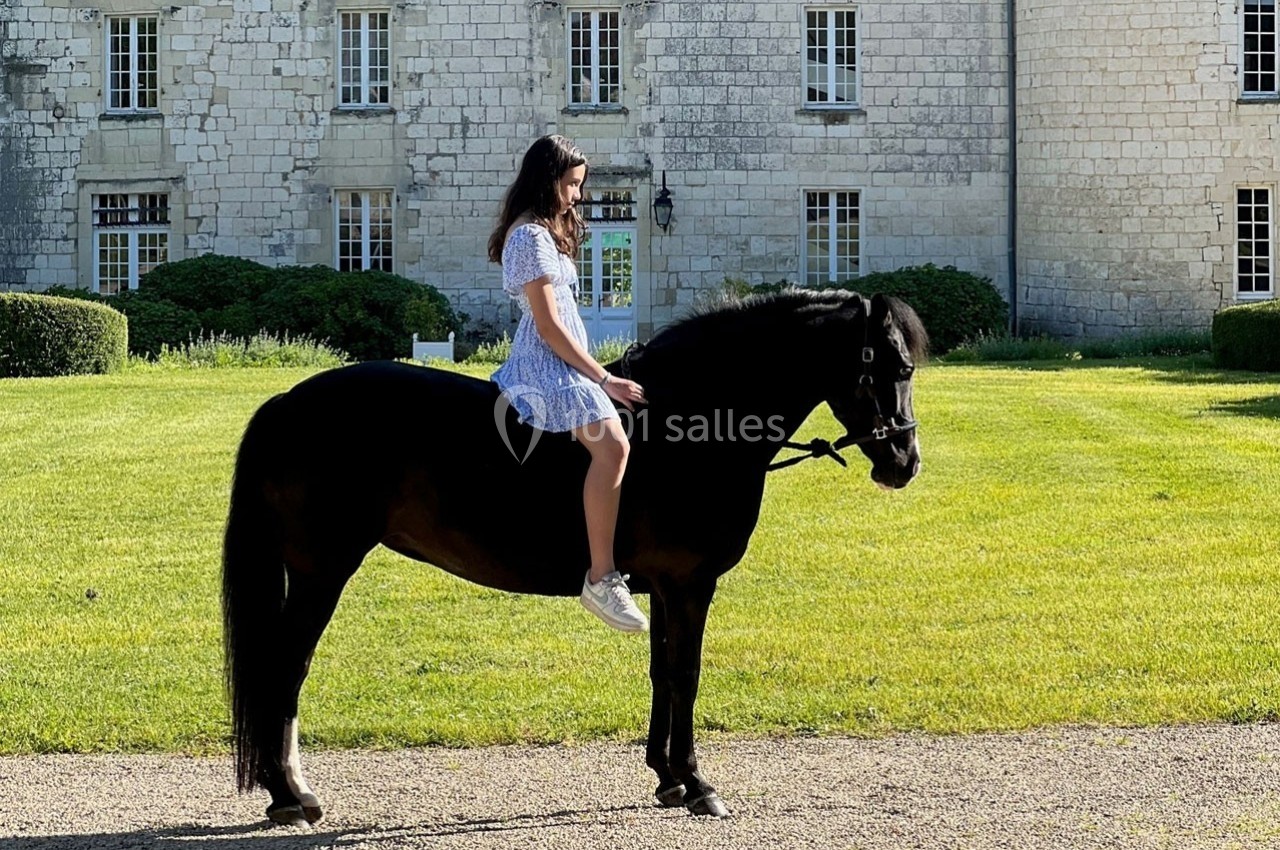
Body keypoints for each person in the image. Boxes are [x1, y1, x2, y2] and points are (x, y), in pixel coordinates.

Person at [488, 134, 650, 633]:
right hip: (546, 365)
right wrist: (603, 377)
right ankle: (601, 577)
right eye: (572, 184)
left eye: (580, 185)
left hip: (563, 359)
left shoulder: (544, 232)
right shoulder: (529, 238)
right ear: (547, 180)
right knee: (613, 447)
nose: (578, 195)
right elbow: (548, 326)